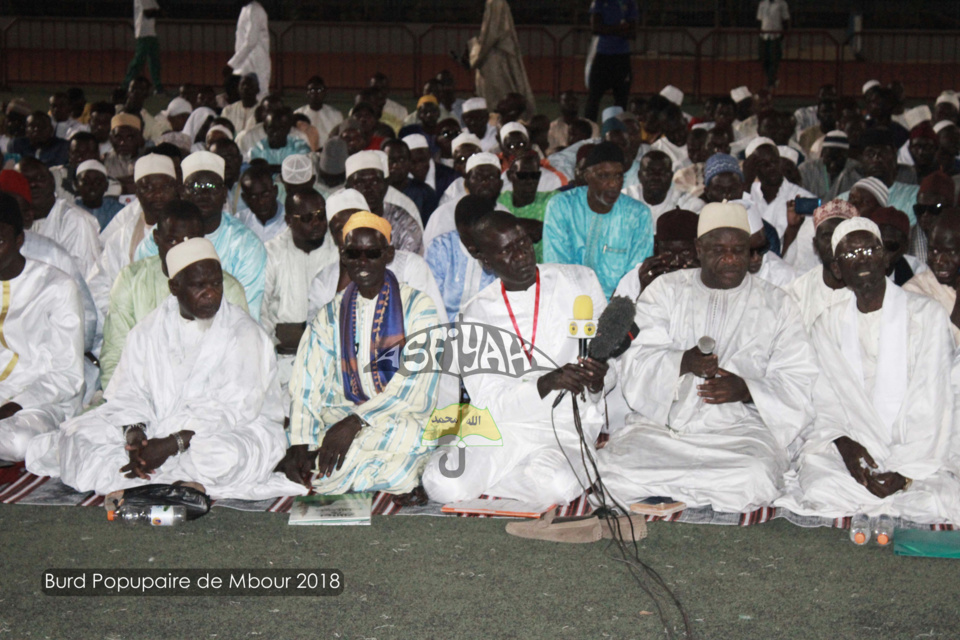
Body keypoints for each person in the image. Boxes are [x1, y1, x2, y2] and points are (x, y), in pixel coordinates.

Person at [33, 238, 299, 500]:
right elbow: (129, 392)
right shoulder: (148, 331)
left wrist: (174, 443)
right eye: (199, 285)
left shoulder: (243, 332)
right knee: (76, 435)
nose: (212, 293)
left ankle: (150, 479)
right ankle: (171, 480)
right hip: (158, 430)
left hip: (229, 431)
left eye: (217, 283)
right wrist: (136, 437)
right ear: (174, 287)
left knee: (220, 457)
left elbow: (233, 408)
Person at [597, 201, 817, 512]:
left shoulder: (778, 304)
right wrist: (682, 362)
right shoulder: (665, 290)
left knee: (753, 477)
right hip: (664, 429)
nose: (730, 259)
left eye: (739, 250)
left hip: (739, 434)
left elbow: (798, 377)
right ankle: (698, 495)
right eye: (718, 250)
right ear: (699, 249)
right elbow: (635, 359)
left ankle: (672, 494)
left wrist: (747, 391)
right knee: (609, 471)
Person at [423, 210, 612, 507]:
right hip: (502, 427)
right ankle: (526, 475)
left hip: (563, 423)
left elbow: (609, 364)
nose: (522, 255)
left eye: (524, 242)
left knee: (557, 485)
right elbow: (488, 401)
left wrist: (600, 379)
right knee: (441, 483)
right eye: (507, 250)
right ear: (486, 262)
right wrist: (546, 382)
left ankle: (500, 480)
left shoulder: (579, 281)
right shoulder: (476, 314)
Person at [777, 218, 960, 525]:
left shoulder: (926, 314)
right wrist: (846, 446)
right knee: (821, 485)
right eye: (850, 255)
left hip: (919, 445)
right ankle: (885, 491)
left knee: (943, 496)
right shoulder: (827, 323)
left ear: (884, 257)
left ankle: (905, 487)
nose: (861, 259)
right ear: (837, 269)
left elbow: (934, 398)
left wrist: (904, 473)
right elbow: (823, 400)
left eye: (870, 250)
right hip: (858, 442)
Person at [279, 213, 442, 495]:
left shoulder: (417, 306)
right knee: (298, 443)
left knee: (409, 436)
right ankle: (385, 474)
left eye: (372, 253)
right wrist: (300, 442)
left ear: (388, 254)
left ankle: (336, 472)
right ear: (343, 255)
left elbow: (416, 386)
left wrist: (356, 422)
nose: (362, 263)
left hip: (398, 416)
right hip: (340, 414)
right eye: (353, 253)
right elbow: (307, 381)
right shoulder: (331, 313)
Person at [99, 201, 249, 389]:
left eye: (191, 240)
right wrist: (129, 408)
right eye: (172, 241)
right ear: (156, 238)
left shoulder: (228, 289)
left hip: (209, 404)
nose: (181, 249)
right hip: (140, 399)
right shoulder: (131, 280)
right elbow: (115, 358)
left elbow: (240, 363)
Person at [0, 193, 84, 463]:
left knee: (18, 442)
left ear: (19, 240)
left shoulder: (57, 287)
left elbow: (67, 375)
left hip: (39, 402)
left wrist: (14, 405)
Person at [134, 151, 267, 319]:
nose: (204, 194)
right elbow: (142, 303)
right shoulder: (154, 244)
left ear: (224, 193)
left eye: (212, 186)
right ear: (182, 191)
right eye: (195, 186)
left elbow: (247, 314)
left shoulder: (246, 245)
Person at [261, 190, 339, 413]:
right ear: (288, 221)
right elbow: (261, 311)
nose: (316, 223)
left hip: (329, 357)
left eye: (320, 216)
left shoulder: (338, 251)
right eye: (306, 218)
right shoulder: (271, 253)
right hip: (281, 358)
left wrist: (302, 333)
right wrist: (276, 340)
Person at [543, 141, 653, 298]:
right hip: (568, 302)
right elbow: (556, 268)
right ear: (587, 176)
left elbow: (634, 278)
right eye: (604, 176)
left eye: (618, 176)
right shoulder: (562, 206)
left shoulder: (638, 215)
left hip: (618, 307)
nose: (614, 184)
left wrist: (612, 314)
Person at [87, 154, 179, 324]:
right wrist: (126, 319)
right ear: (137, 192)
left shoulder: (192, 229)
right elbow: (98, 286)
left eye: (165, 187)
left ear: (176, 188)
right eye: (148, 187)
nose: (157, 194)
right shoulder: (122, 237)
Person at [15, 157, 101, 276]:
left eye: (40, 178)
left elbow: (82, 276)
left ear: (52, 181)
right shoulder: (11, 223)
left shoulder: (75, 220)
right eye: (25, 180)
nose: (33, 184)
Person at [784, 199, 857, 331]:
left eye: (841, 236)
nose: (834, 244)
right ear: (815, 244)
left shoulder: (865, 292)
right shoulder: (795, 293)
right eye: (827, 236)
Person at [426, 194, 498, 321]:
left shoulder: (499, 251)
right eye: (469, 238)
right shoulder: (440, 249)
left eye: (480, 236)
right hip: (443, 330)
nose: (473, 245)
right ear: (459, 229)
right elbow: (431, 303)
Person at [344, 151, 423, 255]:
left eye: (375, 182)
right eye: (360, 183)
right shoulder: (339, 221)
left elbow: (410, 264)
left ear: (386, 185)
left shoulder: (404, 223)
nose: (368, 189)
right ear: (348, 188)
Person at [469, 0, 536, 119]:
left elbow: (491, 34)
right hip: (494, 59)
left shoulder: (495, 2)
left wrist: (474, 53)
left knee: (498, 102)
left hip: (496, 62)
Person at [424, 152, 508, 247]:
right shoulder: (444, 214)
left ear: (500, 184)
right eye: (478, 177)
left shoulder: (504, 214)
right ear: (466, 183)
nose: (485, 183)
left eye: (491, 177)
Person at [904, 209, 960, 345]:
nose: (940, 261)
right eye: (934, 251)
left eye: (951, 252)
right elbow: (940, 351)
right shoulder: (913, 292)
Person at [583, 0, 638, 123]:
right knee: (593, 99)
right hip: (602, 56)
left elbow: (633, 33)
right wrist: (620, 28)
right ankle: (588, 132)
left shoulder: (630, 3)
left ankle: (618, 134)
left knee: (621, 100)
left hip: (622, 58)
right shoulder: (599, 2)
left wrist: (608, 29)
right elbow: (595, 28)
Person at [622, 150, 704, 224]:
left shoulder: (684, 202)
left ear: (671, 176)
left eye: (663, 172)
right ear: (639, 176)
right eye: (650, 172)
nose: (656, 177)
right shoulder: (625, 199)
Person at [384, 138, 438, 224]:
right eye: (391, 161)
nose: (396, 166)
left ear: (409, 162)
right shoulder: (376, 192)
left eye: (401, 160)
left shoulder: (425, 193)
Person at [798, 130, 860, 202]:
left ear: (846, 156)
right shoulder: (806, 169)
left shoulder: (854, 170)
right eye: (830, 156)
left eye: (838, 157)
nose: (833, 162)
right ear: (823, 153)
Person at [226, 0, 270, 100]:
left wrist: (232, 64)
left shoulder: (256, 10)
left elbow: (251, 41)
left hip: (256, 62)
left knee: (260, 95)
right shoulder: (246, 9)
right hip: (245, 62)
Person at [908, 171, 955, 265]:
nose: (925, 215)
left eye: (934, 209)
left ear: (950, 208)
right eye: (920, 209)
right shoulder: (907, 237)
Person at [236, 164, 286, 243]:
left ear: (275, 191)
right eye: (253, 197)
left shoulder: (291, 222)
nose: (261, 202)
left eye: (265, 195)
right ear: (245, 198)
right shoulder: (239, 222)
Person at [123, 0, 163, 92]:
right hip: (143, 33)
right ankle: (125, 84)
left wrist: (156, 12)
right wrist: (158, 12)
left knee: (154, 61)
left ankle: (158, 86)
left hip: (150, 33)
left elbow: (155, 11)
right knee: (139, 61)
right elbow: (149, 13)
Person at [73, 159, 123, 231]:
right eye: (86, 182)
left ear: (106, 186)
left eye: (97, 182)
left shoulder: (118, 210)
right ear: (76, 185)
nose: (92, 186)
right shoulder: (71, 210)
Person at [294, 76, 343, 146]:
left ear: (325, 92)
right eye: (312, 90)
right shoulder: (297, 115)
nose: (315, 93)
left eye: (319, 90)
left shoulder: (336, 115)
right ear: (307, 93)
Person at [103, 113, 144, 194]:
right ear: (111, 139)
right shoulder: (104, 161)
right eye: (118, 137)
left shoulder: (147, 160)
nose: (122, 143)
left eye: (129, 138)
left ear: (139, 139)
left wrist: (113, 182)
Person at [549, 91, 600, 155]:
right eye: (567, 100)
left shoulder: (592, 126)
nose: (571, 103)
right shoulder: (551, 127)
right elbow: (549, 152)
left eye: (575, 100)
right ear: (560, 103)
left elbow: (593, 150)